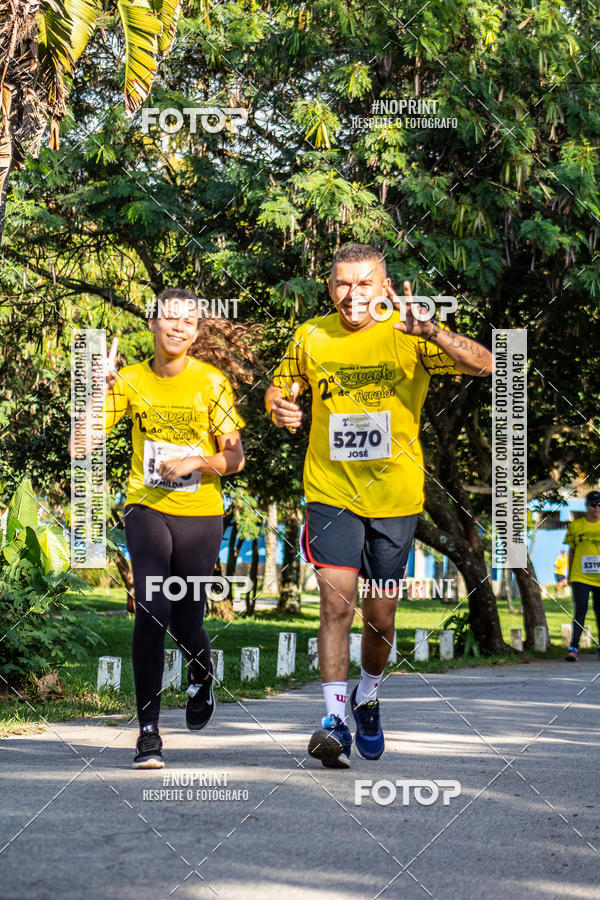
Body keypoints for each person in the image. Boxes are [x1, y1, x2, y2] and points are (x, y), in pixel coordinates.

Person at [265, 243, 493, 768]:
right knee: (336, 604)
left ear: (384, 286)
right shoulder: (311, 336)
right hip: (330, 492)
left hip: (394, 499)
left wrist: (432, 331)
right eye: (343, 284)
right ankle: (331, 720)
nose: (353, 295)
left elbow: (485, 364)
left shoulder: (408, 332)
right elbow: (280, 392)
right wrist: (281, 408)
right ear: (329, 288)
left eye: (364, 283)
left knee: (380, 619)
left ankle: (367, 696)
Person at [69, 289, 255, 768]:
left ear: (196, 332)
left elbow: (234, 457)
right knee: (152, 608)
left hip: (200, 512)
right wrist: (97, 392)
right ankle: (148, 732)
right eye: (169, 318)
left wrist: (199, 459)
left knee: (189, 619)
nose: (178, 327)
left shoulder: (211, 383)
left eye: (188, 322)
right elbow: (80, 447)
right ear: (152, 323)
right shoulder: (127, 380)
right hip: (145, 506)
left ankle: (201, 672)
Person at [564, 491, 600, 661]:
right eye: (594, 504)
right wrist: (569, 575)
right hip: (580, 577)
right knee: (581, 610)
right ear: (587, 506)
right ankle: (573, 648)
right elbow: (571, 551)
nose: (597, 508)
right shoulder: (576, 526)